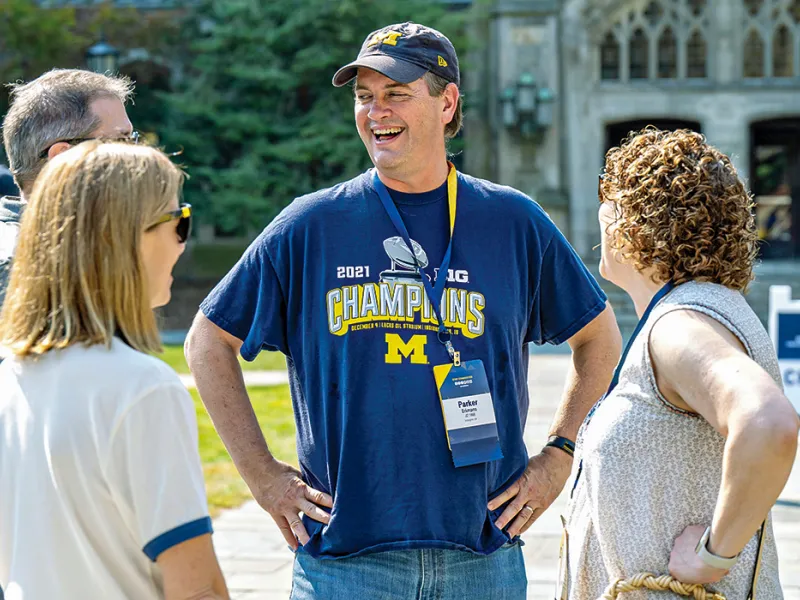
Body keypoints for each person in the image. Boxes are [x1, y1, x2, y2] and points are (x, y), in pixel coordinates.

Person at [185, 21, 621, 599]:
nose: (375, 112)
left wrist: (560, 454)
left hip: (482, 559)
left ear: (447, 102)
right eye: (364, 97)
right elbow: (207, 342)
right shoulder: (311, 225)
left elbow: (600, 339)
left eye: (396, 94)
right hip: (345, 563)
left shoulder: (513, 221)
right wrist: (263, 478)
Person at [565, 128, 799, 599]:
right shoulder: (705, 308)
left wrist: (714, 555)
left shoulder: (679, 324)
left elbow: (768, 422)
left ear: (633, 227)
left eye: (609, 201)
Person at [0, 141, 229, 600]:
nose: (183, 241)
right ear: (125, 237)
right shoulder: (142, 389)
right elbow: (196, 589)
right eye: (178, 220)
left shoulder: (12, 376)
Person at [0, 68, 137, 308]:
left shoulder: (71, 249)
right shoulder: (19, 268)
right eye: (121, 141)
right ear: (63, 157)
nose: (137, 155)